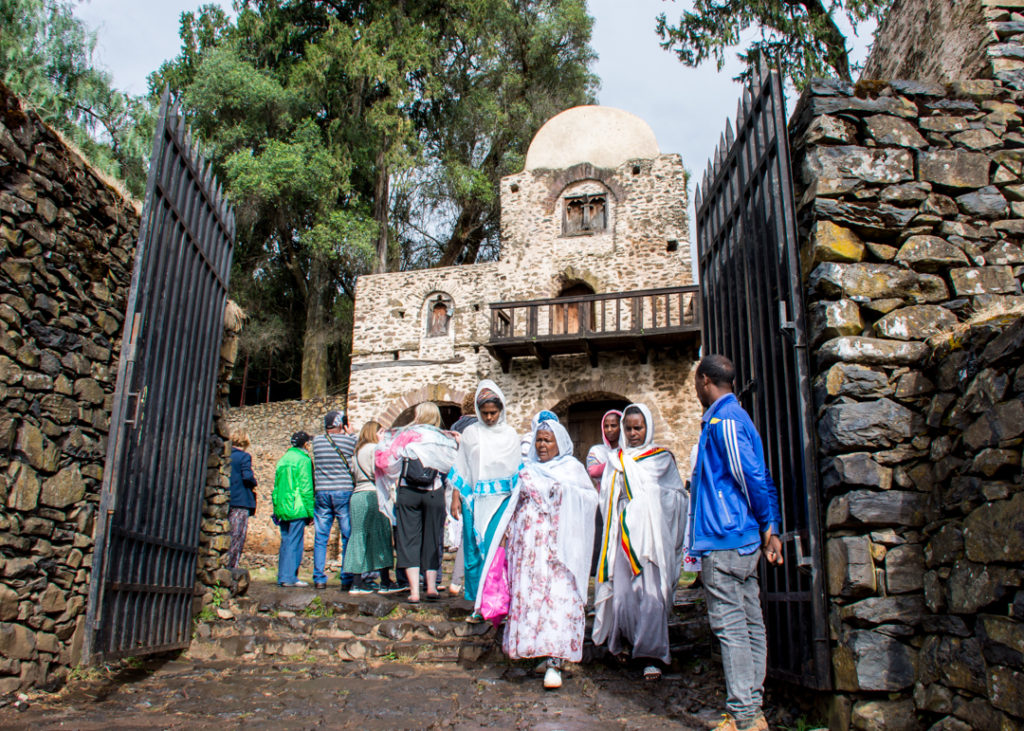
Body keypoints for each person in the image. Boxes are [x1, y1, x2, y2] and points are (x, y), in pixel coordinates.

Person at [690, 355, 782, 731]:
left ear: (705, 380)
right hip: (740, 539)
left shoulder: (724, 420)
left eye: (697, 383)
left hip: (727, 538)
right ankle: (752, 710)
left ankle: (744, 714)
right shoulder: (735, 417)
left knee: (731, 627)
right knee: (749, 623)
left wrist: (769, 524)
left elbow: (751, 475)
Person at [499, 417, 598, 690]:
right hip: (529, 549)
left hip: (559, 550)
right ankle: (538, 650)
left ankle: (556, 660)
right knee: (533, 598)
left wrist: (561, 491)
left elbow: (590, 500)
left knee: (557, 598)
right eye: (539, 440)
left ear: (559, 443)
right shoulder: (528, 469)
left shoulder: (571, 470)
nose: (541, 445)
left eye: (547, 440)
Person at [592, 403, 689, 680]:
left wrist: (646, 501)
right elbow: (605, 500)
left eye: (638, 428)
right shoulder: (615, 460)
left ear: (648, 428)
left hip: (651, 536)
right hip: (622, 535)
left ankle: (651, 654)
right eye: (629, 428)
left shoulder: (662, 458)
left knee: (652, 597)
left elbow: (678, 496)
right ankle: (625, 641)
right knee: (622, 596)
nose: (633, 433)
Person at [448, 380, 522, 620]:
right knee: (472, 551)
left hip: (500, 502)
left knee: (494, 551)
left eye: (493, 412)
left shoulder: (510, 435)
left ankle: (495, 598)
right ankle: (474, 600)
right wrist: (455, 498)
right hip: (474, 500)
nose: (489, 417)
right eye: (485, 413)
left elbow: (515, 474)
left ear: (501, 410)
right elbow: (463, 467)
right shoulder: (471, 434)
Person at [393, 403, 450, 603]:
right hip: (433, 491)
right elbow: (451, 465)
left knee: (408, 539)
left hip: (408, 490)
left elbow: (390, 461)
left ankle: (414, 591)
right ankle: (432, 587)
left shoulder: (405, 435)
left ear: (418, 415)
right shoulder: (442, 438)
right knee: (433, 538)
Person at [343, 420, 401, 594]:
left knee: (358, 536)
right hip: (374, 494)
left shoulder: (357, 452)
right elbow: (386, 468)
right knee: (381, 536)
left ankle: (357, 581)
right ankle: (385, 580)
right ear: (374, 433)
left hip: (357, 495)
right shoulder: (375, 449)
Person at [311, 410, 357, 591]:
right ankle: (346, 577)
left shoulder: (317, 442)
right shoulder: (348, 441)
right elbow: (357, 443)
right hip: (343, 491)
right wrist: (350, 432)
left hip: (322, 491)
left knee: (321, 536)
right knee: (347, 535)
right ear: (340, 424)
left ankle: (319, 577)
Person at [272, 431, 314, 587]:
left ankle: (282, 575)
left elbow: (276, 486)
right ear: (305, 444)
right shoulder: (303, 460)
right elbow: (306, 487)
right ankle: (290, 577)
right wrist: (311, 511)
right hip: (297, 507)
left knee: (286, 541)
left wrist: (276, 506)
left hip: (283, 506)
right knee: (295, 542)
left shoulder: (283, 459)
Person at [227, 429, 258, 569]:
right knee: (236, 536)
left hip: (227, 499)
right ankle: (232, 566)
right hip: (240, 501)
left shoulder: (226, 455)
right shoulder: (244, 456)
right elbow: (247, 476)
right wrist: (254, 482)